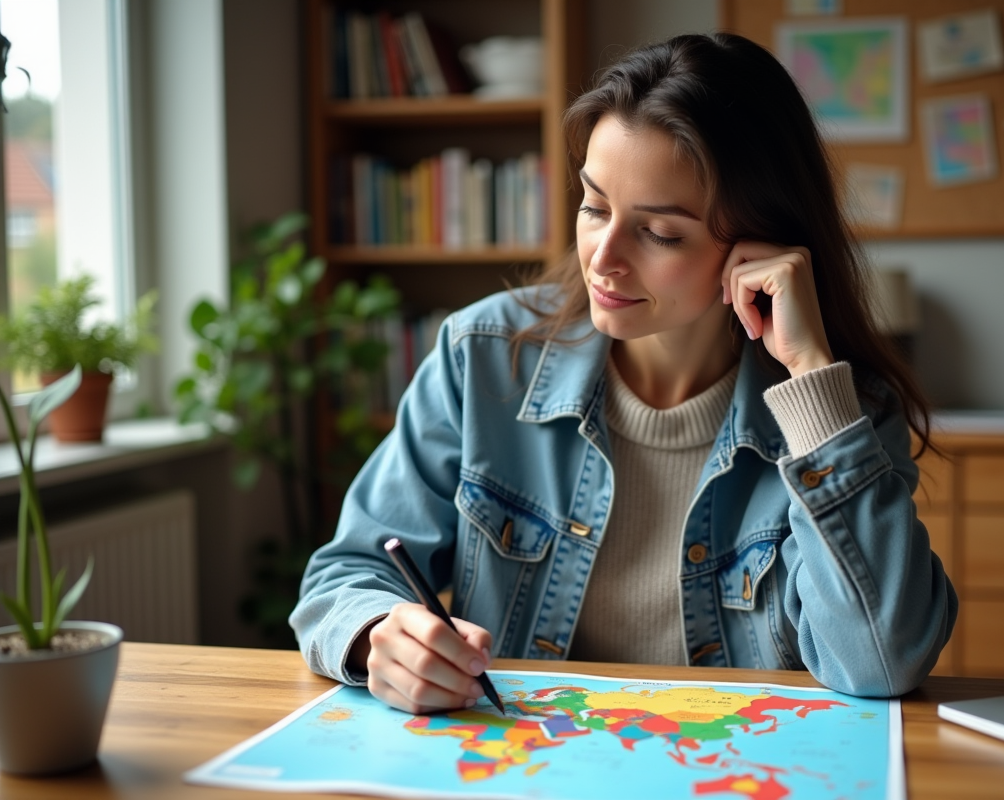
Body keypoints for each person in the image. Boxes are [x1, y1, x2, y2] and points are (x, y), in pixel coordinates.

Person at [290, 32, 957, 714]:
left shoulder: (842, 413)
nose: (602, 258)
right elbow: (347, 573)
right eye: (594, 206)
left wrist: (811, 376)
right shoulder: (483, 356)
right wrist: (381, 636)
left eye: (660, 233)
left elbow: (880, 658)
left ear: (764, 245)